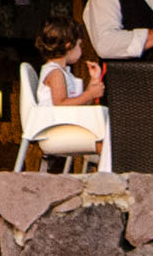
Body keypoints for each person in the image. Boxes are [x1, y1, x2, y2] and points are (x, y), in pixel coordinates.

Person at [26, 19, 107, 168]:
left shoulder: (62, 73)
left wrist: (93, 83)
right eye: (79, 45)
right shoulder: (55, 73)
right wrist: (89, 94)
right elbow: (61, 104)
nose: (81, 50)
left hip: (64, 127)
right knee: (106, 144)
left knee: (108, 138)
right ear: (69, 46)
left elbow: (78, 105)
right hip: (55, 132)